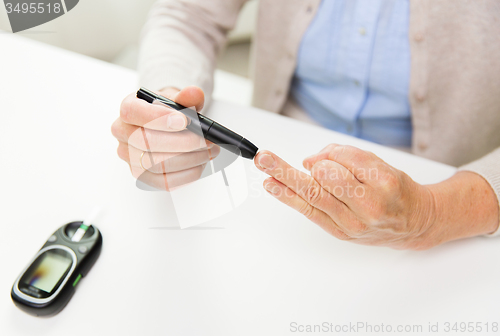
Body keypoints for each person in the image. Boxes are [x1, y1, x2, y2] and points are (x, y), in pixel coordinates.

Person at [111, 0, 500, 250]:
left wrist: (432, 213)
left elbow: (436, 211)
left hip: (448, 181)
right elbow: (188, 14)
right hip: (280, 149)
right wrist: (170, 101)